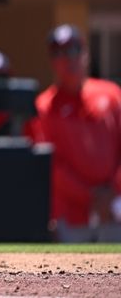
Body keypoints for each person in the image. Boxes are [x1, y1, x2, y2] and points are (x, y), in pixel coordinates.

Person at [28, 25, 121, 242]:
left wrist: (112, 192)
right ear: (51, 60)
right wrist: (90, 196)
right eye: (58, 52)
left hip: (114, 207)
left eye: (73, 49)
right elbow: (50, 164)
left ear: (85, 53)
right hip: (69, 214)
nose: (67, 59)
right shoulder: (43, 107)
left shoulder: (112, 95)